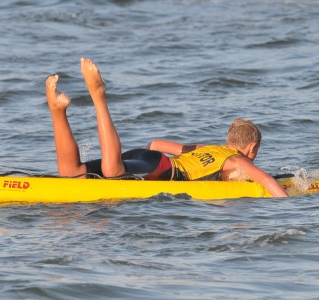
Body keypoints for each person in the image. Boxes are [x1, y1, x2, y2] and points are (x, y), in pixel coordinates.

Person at [46, 58, 289, 198]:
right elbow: (266, 180)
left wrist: (139, 168)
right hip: (161, 167)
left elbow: (156, 144)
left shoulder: (209, 148)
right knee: (113, 172)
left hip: (146, 158)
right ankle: (98, 96)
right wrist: (288, 207)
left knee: (72, 173)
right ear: (251, 147)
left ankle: (58, 111)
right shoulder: (238, 160)